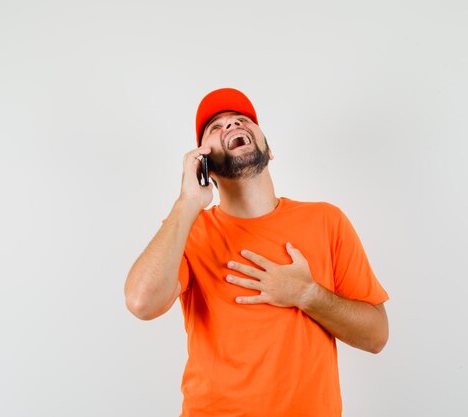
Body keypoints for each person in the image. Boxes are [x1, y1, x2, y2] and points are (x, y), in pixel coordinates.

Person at [124, 88, 390, 417]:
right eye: (216, 128)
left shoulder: (326, 220)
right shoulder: (189, 229)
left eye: (242, 120)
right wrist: (187, 203)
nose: (232, 126)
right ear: (204, 164)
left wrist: (308, 294)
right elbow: (141, 302)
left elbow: (376, 336)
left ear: (269, 149)